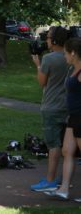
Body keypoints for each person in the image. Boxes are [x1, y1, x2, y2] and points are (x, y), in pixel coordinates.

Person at [30, 26, 69, 191]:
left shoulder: (48, 59)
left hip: (52, 107)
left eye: (48, 37)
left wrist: (38, 65)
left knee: (53, 145)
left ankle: (50, 180)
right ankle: (64, 180)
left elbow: (42, 82)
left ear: (54, 40)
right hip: (69, 108)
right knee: (69, 147)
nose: (46, 40)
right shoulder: (72, 57)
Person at [44, 38, 81, 202]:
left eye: (65, 53)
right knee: (66, 152)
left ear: (73, 53)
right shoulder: (73, 69)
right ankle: (63, 190)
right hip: (72, 117)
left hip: (80, 118)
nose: (64, 56)